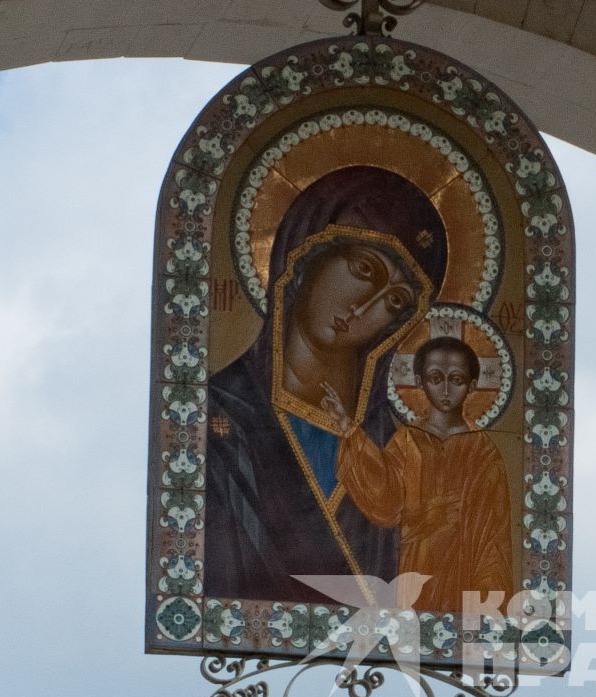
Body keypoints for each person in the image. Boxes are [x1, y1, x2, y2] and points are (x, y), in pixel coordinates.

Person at [202, 165, 447, 604]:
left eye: (395, 301)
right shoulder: (216, 416)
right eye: (363, 269)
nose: (364, 307)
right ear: (304, 255)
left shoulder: (394, 455)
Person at [333, 331, 513, 616]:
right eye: (435, 378)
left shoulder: (483, 451)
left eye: (456, 380)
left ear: (472, 385)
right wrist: (351, 433)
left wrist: (488, 601)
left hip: (462, 564)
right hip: (414, 563)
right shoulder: (407, 441)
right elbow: (386, 499)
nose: (444, 390)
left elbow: (494, 533)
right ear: (419, 382)